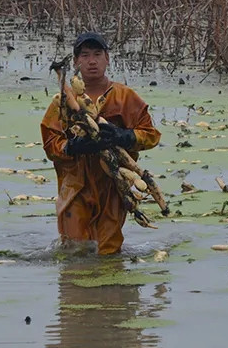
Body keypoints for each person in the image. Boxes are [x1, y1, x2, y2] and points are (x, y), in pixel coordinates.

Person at [40, 32, 161, 255]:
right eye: (85, 55)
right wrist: (73, 147)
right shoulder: (63, 100)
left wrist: (124, 136)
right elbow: (50, 143)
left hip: (113, 185)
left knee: (109, 250)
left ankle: (111, 289)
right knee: (75, 251)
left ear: (107, 59)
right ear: (76, 62)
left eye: (97, 54)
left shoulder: (125, 97)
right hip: (75, 186)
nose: (92, 61)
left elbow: (151, 135)